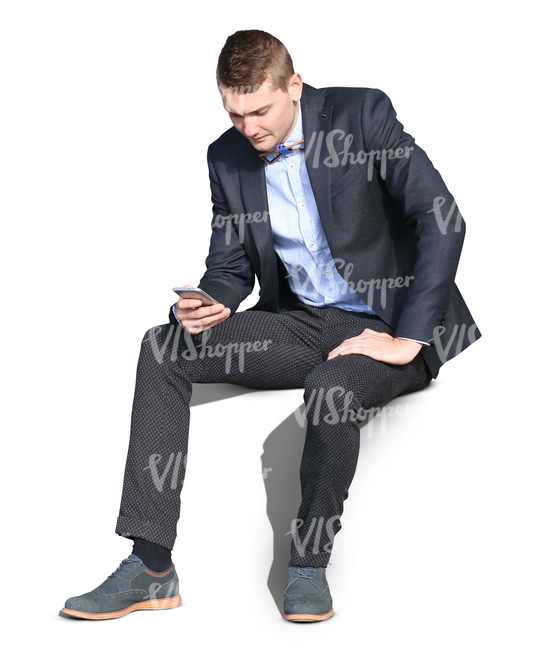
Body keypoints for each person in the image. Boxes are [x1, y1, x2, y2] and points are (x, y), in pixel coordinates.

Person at [60, 29, 481, 623]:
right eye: (234, 113)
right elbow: (230, 263)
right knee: (163, 348)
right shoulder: (226, 154)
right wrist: (211, 300)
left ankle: (308, 567)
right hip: (303, 323)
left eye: (261, 110)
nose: (248, 126)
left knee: (331, 394)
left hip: (388, 321)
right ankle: (151, 566)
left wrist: (407, 338)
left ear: (294, 86)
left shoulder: (363, 114)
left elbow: (442, 219)